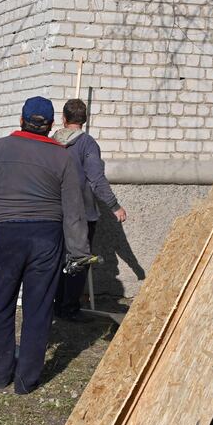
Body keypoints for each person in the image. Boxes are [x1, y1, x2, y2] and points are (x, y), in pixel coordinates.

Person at [0, 96, 91, 394]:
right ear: (50, 126)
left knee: (1, 305)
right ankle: (26, 381)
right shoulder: (63, 157)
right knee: (39, 309)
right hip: (47, 240)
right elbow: (74, 209)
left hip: (7, 236)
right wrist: (78, 252)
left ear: (21, 120)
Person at [53, 99, 127, 320]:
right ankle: (69, 308)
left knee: (57, 259)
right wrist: (114, 206)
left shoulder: (51, 143)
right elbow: (95, 178)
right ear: (83, 120)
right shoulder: (87, 144)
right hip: (81, 214)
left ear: (64, 118)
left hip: (55, 211)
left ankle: (57, 304)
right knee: (79, 260)